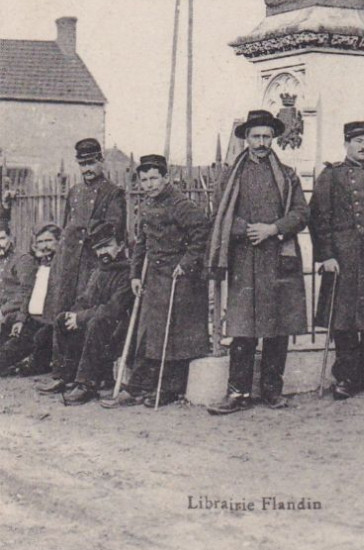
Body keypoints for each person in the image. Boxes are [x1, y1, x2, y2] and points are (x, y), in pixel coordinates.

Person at [206, 110, 308, 415]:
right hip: (245, 258)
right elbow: (221, 215)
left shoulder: (288, 175)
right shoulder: (231, 175)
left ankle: (272, 391)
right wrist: (247, 229)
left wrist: (273, 229)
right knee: (243, 328)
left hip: (278, 258)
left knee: (277, 327)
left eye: (266, 136)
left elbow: (302, 213)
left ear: (273, 138)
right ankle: (238, 393)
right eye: (256, 136)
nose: (262, 143)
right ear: (246, 139)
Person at [102, 155, 210, 409]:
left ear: (165, 177)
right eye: (144, 179)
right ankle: (138, 388)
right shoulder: (147, 205)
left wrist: (185, 263)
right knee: (149, 334)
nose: (149, 184)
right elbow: (141, 243)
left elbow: (201, 234)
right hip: (154, 278)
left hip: (180, 278)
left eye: (154, 178)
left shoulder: (181, 204)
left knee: (174, 336)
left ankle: (168, 389)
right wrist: (135, 275)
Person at [309, 121, 364, 399]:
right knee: (343, 322)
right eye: (358, 142)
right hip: (342, 259)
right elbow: (318, 218)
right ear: (347, 143)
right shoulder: (331, 176)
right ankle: (345, 378)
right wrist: (326, 255)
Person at [38, 222, 133, 404]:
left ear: (121, 246)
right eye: (98, 248)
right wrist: (73, 315)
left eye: (107, 246)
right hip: (96, 320)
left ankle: (87, 384)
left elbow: (114, 309)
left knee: (96, 322)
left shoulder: (127, 272)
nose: (102, 252)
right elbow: (85, 299)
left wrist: (81, 318)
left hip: (119, 327)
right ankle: (64, 376)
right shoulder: (99, 271)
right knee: (61, 319)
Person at [46, 138, 126, 331]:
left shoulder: (113, 193)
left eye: (91, 163)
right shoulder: (74, 191)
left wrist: (87, 231)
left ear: (101, 161)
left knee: (83, 315)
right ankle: (61, 360)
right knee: (61, 311)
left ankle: (82, 361)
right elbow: (67, 225)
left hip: (92, 262)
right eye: (82, 164)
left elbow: (113, 229)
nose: (86, 169)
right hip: (68, 262)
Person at [0, 224, 62, 376]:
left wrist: (15, 315)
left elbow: (25, 290)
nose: (44, 246)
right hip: (30, 317)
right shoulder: (42, 263)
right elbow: (31, 294)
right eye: (40, 242)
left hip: (47, 320)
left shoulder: (25, 260)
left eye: (48, 240)